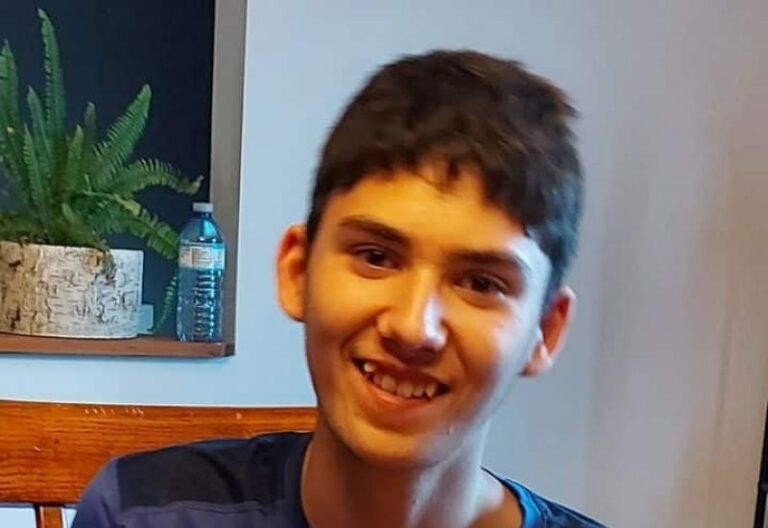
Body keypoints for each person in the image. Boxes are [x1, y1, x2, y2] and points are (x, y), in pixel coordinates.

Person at [72, 49, 605, 528]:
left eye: (481, 283)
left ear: (546, 330)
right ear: (298, 272)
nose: (413, 327)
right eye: (376, 257)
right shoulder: (141, 514)